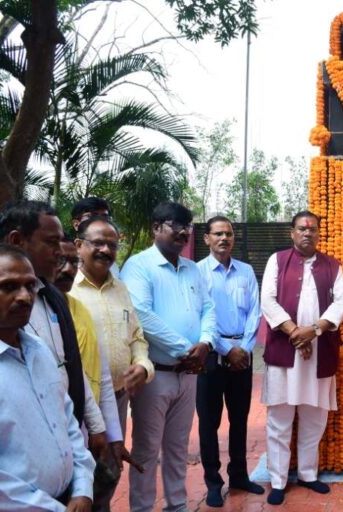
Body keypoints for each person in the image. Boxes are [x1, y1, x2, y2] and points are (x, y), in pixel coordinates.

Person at [120, 202, 217, 512]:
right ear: (156, 228)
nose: (184, 232)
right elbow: (141, 315)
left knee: (177, 449)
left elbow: (208, 309)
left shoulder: (191, 267)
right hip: (155, 375)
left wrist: (204, 343)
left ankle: (177, 506)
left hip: (188, 375)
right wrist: (185, 349)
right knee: (147, 450)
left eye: (187, 226)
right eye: (176, 225)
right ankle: (142, 508)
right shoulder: (138, 266)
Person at [0, 200, 110, 457]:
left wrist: (96, 426)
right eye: (51, 242)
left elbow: (71, 367)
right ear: (16, 240)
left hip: (65, 431)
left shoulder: (54, 297)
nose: (61, 251)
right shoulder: (1, 312)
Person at [0, 243, 95, 511]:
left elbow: (68, 424)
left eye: (30, 286)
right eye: (8, 287)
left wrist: (83, 488)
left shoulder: (40, 351)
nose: (25, 297)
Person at [260, 210, 343, 506]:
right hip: (284, 351)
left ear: (319, 234)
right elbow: (267, 301)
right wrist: (296, 332)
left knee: (314, 417)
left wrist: (315, 331)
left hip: (319, 353)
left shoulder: (332, 266)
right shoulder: (277, 261)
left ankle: (308, 474)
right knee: (279, 419)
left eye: (312, 230)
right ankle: (278, 480)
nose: (307, 233)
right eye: (301, 229)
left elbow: (339, 305)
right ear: (292, 233)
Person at [59, 233, 142, 510]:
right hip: (67, 419)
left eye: (70, 262)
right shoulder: (48, 305)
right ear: (81, 244)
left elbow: (101, 374)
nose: (67, 269)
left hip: (103, 410)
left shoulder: (82, 307)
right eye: (60, 260)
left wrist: (110, 434)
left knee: (102, 485)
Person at [196, 216, 264, 507]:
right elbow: (199, 314)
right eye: (218, 233)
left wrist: (245, 349)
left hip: (242, 355)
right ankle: (213, 482)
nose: (224, 238)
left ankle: (239, 475)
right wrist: (226, 350)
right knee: (209, 423)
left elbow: (255, 312)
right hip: (210, 354)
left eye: (229, 234)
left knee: (239, 419)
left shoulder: (246, 271)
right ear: (207, 239)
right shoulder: (196, 273)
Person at [70, 215, 154, 442]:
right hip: (79, 402)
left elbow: (136, 336)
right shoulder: (67, 290)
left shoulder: (121, 289)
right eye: (97, 243)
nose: (105, 250)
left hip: (118, 398)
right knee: (83, 471)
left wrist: (143, 365)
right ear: (79, 245)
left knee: (111, 468)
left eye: (112, 245)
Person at [70, 197, 120, 277]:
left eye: (105, 217)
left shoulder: (112, 267)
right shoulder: (59, 262)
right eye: (92, 217)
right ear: (76, 224)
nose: (100, 221)